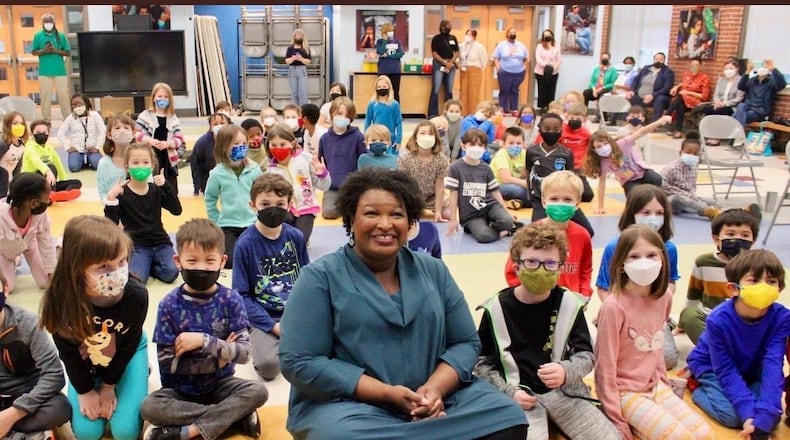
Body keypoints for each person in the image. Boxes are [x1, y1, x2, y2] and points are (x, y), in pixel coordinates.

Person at [279, 167, 527, 439]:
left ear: (409, 221)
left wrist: (434, 390)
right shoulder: (319, 278)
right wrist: (386, 393)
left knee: (507, 418)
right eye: (372, 213)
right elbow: (299, 361)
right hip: (350, 406)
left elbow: (465, 342)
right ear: (351, 218)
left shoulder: (434, 271)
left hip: (438, 398)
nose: (385, 224)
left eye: (396, 214)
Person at [478, 223, 619, 440]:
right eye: (532, 262)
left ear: (560, 268)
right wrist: (508, 392)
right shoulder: (495, 308)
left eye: (550, 263)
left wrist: (565, 371)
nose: (541, 269)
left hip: (566, 392)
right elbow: (482, 364)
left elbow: (587, 356)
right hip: (518, 397)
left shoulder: (570, 304)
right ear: (517, 267)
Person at [140, 218, 267, 440]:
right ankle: (234, 416)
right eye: (192, 260)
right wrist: (220, 356)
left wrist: (204, 342)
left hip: (221, 385)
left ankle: (189, 431)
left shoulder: (231, 300)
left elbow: (245, 353)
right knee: (149, 407)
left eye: (210, 261)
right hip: (179, 392)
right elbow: (169, 364)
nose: (201, 268)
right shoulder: (168, 305)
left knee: (258, 391)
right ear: (178, 261)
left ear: (222, 261)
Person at [595, 225, 713, 440]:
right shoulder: (613, 307)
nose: (644, 261)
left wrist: (664, 386)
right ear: (621, 264)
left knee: (705, 434)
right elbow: (604, 365)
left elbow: (655, 346)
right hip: (624, 391)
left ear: (662, 260)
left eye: (651, 255)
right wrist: (615, 416)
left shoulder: (665, 297)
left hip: (654, 385)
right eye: (634, 256)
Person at [39, 215, 149, 440]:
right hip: (85, 360)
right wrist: (86, 390)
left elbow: (129, 344)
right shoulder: (62, 301)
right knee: (87, 433)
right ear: (78, 268)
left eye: (122, 261)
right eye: (103, 267)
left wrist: (109, 386)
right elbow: (68, 354)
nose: (117, 272)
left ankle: (139, 372)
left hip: (127, 353)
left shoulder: (136, 296)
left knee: (125, 432)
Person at [686, 249, 790, 440]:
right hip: (713, 366)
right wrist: (748, 416)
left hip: (752, 368)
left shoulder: (782, 317)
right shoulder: (718, 320)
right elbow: (725, 369)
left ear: (779, 288)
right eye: (753, 280)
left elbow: (773, 364)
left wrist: (764, 415)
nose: (763, 286)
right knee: (733, 416)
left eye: (771, 281)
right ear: (734, 288)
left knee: (771, 417)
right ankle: (697, 385)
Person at [594, 184, 681, 369]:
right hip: (622, 312)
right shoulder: (615, 247)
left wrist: (660, 307)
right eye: (646, 212)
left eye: (659, 213)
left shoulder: (669, 249)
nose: (653, 218)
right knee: (610, 356)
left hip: (654, 312)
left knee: (668, 359)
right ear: (631, 213)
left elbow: (670, 281)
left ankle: (667, 325)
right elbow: (603, 287)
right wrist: (616, 310)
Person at [233, 174, 309, 382]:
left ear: (289, 205)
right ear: (252, 205)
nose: (272, 209)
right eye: (265, 203)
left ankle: (289, 342)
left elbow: (307, 281)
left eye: (279, 203)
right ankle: (271, 341)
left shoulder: (296, 237)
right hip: (263, 317)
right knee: (268, 367)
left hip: (296, 313)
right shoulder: (245, 244)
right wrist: (273, 327)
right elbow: (241, 295)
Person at [0, 271, 71, 440]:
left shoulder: (28, 323)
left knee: (61, 408)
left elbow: (54, 375)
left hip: (28, 396)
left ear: (6, 289)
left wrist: (13, 414)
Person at [502, 171, 593, 300]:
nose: (560, 204)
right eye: (554, 199)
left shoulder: (582, 235)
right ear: (544, 202)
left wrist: (584, 294)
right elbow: (512, 271)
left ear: (577, 204)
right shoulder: (529, 234)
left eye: (567, 199)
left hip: (570, 302)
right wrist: (525, 295)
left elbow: (586, 269)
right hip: (536, 302)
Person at [676, 208, 760, 345]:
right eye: (731, 234)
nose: (738, 239)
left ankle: (723, 349)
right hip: (710, 319)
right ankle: (716, 350)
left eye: (745, 236)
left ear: (753, 240)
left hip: (742, 321)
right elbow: (693, 296)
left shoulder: (757, 265)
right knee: (689, 314)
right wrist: (682, 323)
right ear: (716, 239)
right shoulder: (703, 262)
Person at [104, 143, 182, 284]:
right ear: (127, 166)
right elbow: (111, 225)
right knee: (138, 279)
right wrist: (110, 199)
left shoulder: (156, 190)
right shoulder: (122, 193)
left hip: (161, 242)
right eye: (135, 162)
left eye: (146, 162)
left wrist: (166, 185)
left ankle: (150, 266)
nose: (141, 166)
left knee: (172, 272)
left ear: (152, 166)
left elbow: (177, 210)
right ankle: (145, 265)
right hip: (137, 245)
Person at [584, 116, 672, 213]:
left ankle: (663, 202)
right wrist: (600, 207)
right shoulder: (602, 163)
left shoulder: (622, 144)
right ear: (594, 150)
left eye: (605, 144)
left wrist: (659, 122)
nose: (603, 148)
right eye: (599, 146)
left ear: (610, 142)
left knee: (656, 178)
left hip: (642, 172)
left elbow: (641, 132)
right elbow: (601, 184)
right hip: (629, 181)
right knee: (634, 195)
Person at [205, 125, 262, 269]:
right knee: (229, 262)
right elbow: (210, 198)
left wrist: (260, 215)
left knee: (258, 257)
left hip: (252, 223)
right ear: (224, 147)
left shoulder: (254, 169)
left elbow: (262, 192)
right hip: (228, 225)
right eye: (235, 144)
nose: (240, 147)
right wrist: (216, 221)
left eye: (243, 144)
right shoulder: (217, 174)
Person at [527, 113, 593, 237]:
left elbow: (571, 177)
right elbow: (528, 172)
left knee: (588, 232)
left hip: (564, 197)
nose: (551, 132)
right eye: (547, 129)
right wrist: (530, 195)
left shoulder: (566, 153)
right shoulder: (531, 151)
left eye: (556, 129)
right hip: (541, 198)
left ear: (561, 131)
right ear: (540, 129)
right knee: (536, 234)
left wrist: (572, 200)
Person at [446, 128, 516, 243]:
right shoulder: (455, 167)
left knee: (507, 221)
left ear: (485, 148)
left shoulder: (485, 168)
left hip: (489, 206)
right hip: (471, 214)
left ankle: (497, 225)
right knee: (484, 236)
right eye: (472, 144)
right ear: (463, 146)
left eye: (480, 145)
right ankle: (502, 232)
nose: (476, 148)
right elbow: (453, 194)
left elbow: (495, 191)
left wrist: (506, 211)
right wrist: (453, 219)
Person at [264, 124, 330, 243]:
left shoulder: (305, 159)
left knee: (300, 240)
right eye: (273, 145)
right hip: (284, 210)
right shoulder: (269, 169)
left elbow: (324, 186)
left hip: (306, 207)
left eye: (283, 144)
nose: (278, 148)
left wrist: (323, 174)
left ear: (292, 143)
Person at [0, 173, 56, 293]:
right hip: (5, 251)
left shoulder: (40, 216)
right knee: (7, 287)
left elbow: (46, 243)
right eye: (47, 198)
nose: (48, 201)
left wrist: (51, 271)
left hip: (29, 244)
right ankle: (15, 260)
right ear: (33, 203)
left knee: (46, 283)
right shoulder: (1, 218)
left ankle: (17, 258)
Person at [317, 96, 367, 220]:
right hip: (332, 186)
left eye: (347, 116)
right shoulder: (324, 139)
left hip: (352, 186)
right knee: (329, 212)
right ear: (332, 114)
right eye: (339, 114)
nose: (343, 118)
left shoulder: (358, 137)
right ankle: (344, 205)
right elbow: (321, 162)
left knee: (359, 214)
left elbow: (364, 160)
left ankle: (348, 205)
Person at [661, 131, 724, 220]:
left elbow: (691, 190)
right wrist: (685, 195)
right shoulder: (671, 168)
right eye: (688, 152)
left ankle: (724, 213)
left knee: (712, 202)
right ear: (681, 152)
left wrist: (693, 197)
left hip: (687, 199)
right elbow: (661, 186)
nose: (692, 155)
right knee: (679, 199)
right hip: (670, 200)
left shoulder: (693, 169)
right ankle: (707, 211)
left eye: (695, 154)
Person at [135, 82, 185, 192]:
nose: (162, 99)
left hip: (168, 158)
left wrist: (168, 143)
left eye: (166, 97)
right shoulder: (145, 115)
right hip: (149, 154)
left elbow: (179, 138)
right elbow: (136, 133)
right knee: (151, 186)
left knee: (170, 188)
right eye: (159, 96)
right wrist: (149, 141)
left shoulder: (173, 118)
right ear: (153, 98)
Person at [398, 120, 450, 222]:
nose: (427, 136)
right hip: (412, 197)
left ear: (435, 138)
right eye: (422, 133)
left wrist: (438, 212)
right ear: (415, 137)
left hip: (432, 198)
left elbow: (439, 187)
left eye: (431, 134)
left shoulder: (440, 159)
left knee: (449, 214)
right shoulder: (405, 158)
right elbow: (403, 186)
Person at [23, 119, 82, 202]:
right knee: (51, 166)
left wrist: (63, 179)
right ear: (32, 134)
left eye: (44, 133)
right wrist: (48, 171)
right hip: (32, 180)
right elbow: (37, 162)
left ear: (48, 134)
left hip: (47, 182)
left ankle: (63, 194)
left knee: (76, 183)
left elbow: (58, 164)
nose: (41, 135)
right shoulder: (29, 147)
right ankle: (50, 194)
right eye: (38, 132)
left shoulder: (49, 148)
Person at [31, 13, 70, 121]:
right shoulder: (38, 35)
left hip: (60, 71)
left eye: (50, 22)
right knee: (45, 96)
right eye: (46, 22)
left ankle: (67, 118)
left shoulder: (61, 36)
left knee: (63, 95)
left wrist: (55, 50)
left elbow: (67, 52)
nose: (48, 24)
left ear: (54, 23)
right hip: (44, 71)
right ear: (43, 23)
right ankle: (46, 119)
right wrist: (45, 51)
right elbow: (34, 52)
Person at [57, 93, 106, 171]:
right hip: (77, 149)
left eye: (79, 104)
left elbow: (102, 131)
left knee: (97, 165)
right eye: (73, 105)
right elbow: (60, 133)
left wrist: (97, 147)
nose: (77, 107)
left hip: (92, 148)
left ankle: (90, 160)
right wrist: (67, 147)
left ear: (86, 103)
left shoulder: (95, 115)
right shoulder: (71, 117)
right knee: (74, 167)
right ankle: (81, 161)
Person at [665, 57, 711, 138]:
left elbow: (704, 96)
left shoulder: (705, 78)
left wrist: (688, 92)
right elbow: (684, 84)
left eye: (696, 65)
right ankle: (678, 131)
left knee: (680, 96)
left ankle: (668, 115)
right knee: (680, 106)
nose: (694, 67)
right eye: (692, 65)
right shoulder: (687, 74)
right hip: (683, 102)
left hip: (696, 103)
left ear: (700, 66)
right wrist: (676, 86)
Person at [733, 59, 786, 126]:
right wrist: (748, 71)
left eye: (765, 67)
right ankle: (739, 134)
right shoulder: (752, 80)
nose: (762, 68)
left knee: (735, 117)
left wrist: (773, 69)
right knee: (741, 106)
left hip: (759, 111)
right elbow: (741, 86)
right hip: (748, 107)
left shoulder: (772, 82)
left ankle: (737, 134)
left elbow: (782, 84)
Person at [97, 113, 135, 204]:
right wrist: (110, 202)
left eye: (126, 128)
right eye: (117, 128)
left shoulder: (140, 159)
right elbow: (102, 192)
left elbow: (148, 186)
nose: (122, 131)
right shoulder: (104, 163)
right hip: (113, 209)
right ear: (109, 135)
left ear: (133, 134)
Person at [190, 112, 231, 196]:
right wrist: (197, 186)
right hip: (208, 179)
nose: (219, 126)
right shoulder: (202, 143)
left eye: (222, 123)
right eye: (215, 124)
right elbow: (194, 163)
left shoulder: (235, 140)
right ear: (210, 127)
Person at [626, 52, 675, 122]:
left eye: (661, 59)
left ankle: (655, 124)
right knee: (630, 98)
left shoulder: (668, 72)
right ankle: (635, 122)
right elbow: (636, 80)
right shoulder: (646, 68)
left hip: (657, 97)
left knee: (660, 100)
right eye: (656, 59)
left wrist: (653, 95)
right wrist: (632, 90)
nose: (658, 61)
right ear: (653, 60)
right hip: (641, 96)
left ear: (664, 61)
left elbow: (667, 88)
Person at [493, 27, 529, 113]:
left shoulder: (521, 45)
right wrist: (498, 68)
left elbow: (526, 58)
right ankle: (502, 108)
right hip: (505, 72)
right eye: (511, 32)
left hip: (518, 73)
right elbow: (495, 57)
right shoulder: (501, 45)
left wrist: (524, 68)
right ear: (507, 34)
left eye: (514, 32)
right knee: (504, 90)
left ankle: (514, 109)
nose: (513, 34)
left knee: (514, 90)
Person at [491, 126, 528, 210]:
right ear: (503, 144)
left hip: (516, 183)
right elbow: (506, 179)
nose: (515, 146)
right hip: (498, 186)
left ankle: (512, 202)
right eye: (511, 143)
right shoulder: (501, 155)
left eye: (518, 143)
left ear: (523, 144)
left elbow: (525, 173)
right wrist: (527, 185)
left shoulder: (523, 153)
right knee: (518, 190)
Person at [428, 20, 460, 118]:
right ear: (442, 27)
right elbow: (434, 53)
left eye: (450, 26)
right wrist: (444, 62)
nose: (449, 28)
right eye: (447, 26)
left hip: (451, 65)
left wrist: (450, 63)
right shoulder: (436, 38)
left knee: (449, 90)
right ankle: (433, 113)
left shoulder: (453, 38)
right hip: (439, 64)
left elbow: (457, 52)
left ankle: (449, 112)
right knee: (436, 89)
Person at [364, 75, 403, 149]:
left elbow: (399, 123)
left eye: (384, 87)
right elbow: (367, 121)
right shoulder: (372, 104)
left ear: (389, 87)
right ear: (376, 88)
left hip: (390, 139)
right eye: (379, 87)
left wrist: (398, 140)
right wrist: (366, 138)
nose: (382, 88)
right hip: (376, 138)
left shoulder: (394, 104)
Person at [458, 30, 487, 115]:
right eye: (467, 34)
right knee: (463, 91)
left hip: (475, 70)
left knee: (474, 92)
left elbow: (484, 60)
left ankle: (473, 112)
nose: (468, 36)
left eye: (470, 34)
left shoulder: (479, 47)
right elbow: (458, 57)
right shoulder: (461, 46)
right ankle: (463, 112)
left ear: (474, 36)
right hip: (464, 70)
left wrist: (480, 69)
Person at [0, 112, 27, 199]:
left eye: (21, 123)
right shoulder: (3, 145)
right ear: (8, 126)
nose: (19, 126)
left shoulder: (22, 146)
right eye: (15, 123)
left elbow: (17, 169)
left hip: (8, 184)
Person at [375, 23, 405, 103]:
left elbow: (400, 54)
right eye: (389, 31)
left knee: (395, 92)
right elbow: (380, 52)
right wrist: (384, 40)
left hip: (395, 71)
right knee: (383, 92)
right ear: (384, 32)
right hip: (383, 72)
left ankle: (396, 110)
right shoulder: (380, 42)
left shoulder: (397, 42)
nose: (391, 32)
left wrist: (387, 55)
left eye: (392, 30)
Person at [534, 29, 561, 112]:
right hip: (541, 72)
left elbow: (559, 59)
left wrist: (553, 68)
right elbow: (538, 59)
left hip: (553, 72)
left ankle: (550, 108)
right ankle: (543, 108)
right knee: (542, 91)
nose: (547, 37)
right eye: (545, 36)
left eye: (549, 35)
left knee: (551, 91)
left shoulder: (556, 46)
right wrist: (547, 66)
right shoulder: (540, 46)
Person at [285, 29, 311, 106]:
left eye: (299, 35)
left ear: (303, 37)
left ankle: (303, 110)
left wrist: (301, 59)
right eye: (296, 35)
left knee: (303, 92)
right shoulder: (290, 48)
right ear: (294, 37)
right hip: (292, 70)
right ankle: (295, 110)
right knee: (294, 93)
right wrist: (292, 59)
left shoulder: (306, 48)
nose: (298, 37)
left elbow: (308, 61)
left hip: (301, 71)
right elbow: (287, 61)